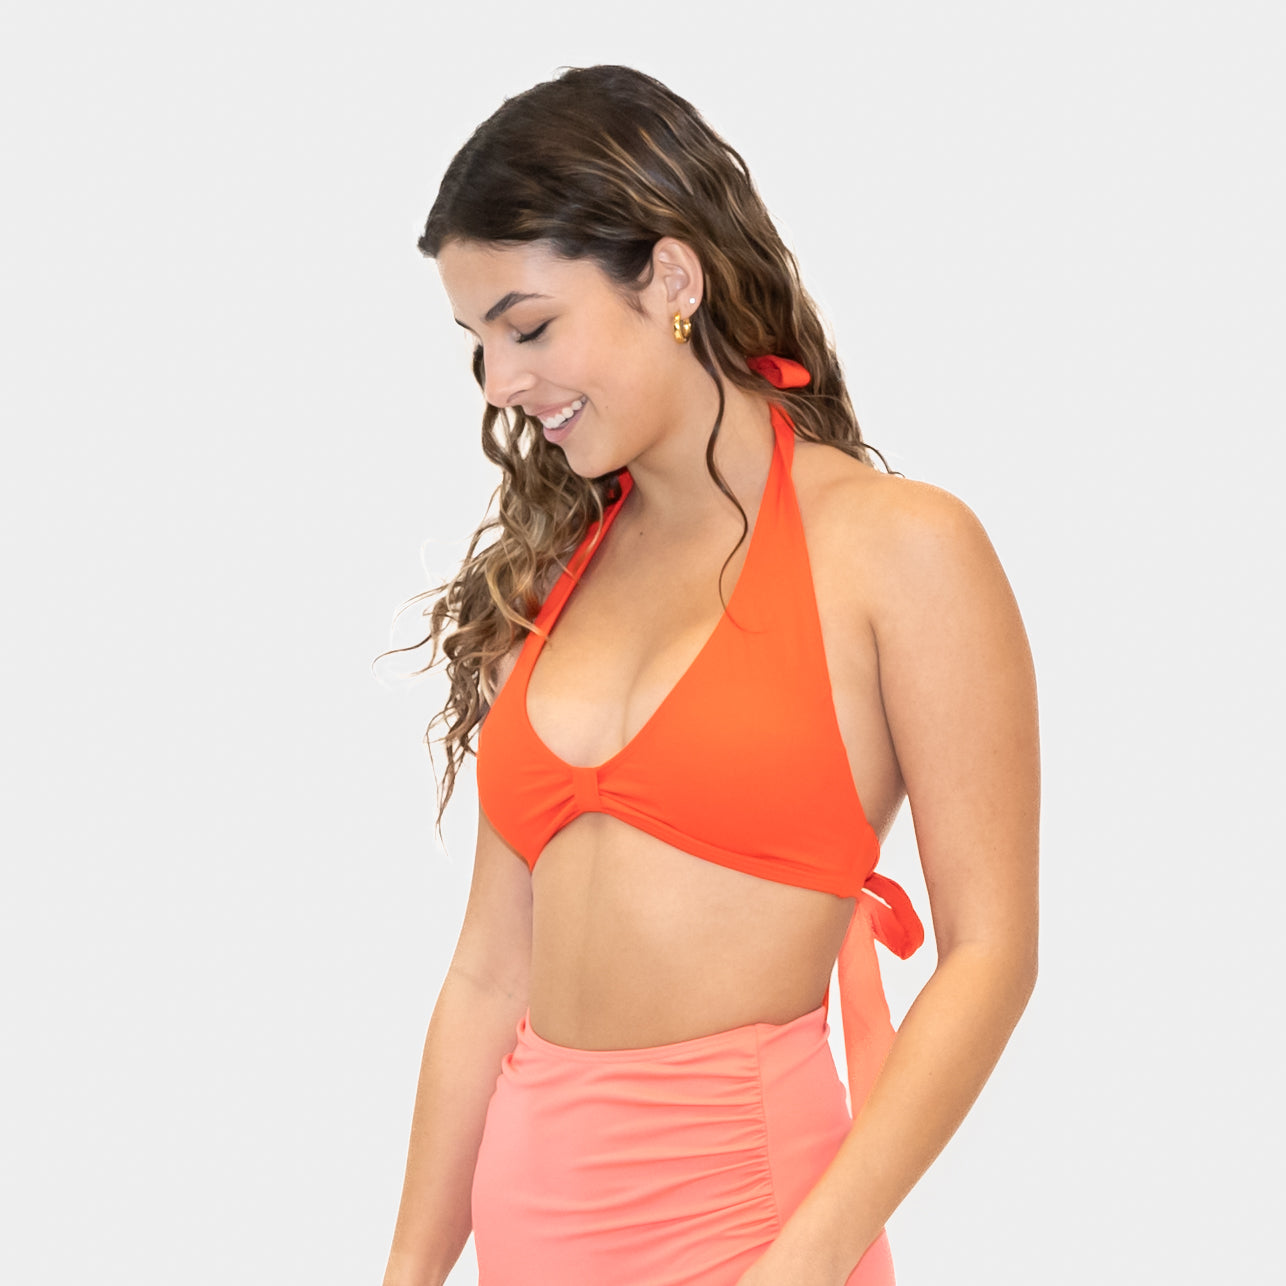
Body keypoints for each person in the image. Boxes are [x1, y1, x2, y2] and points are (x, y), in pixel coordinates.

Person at [380, 64, 1039, 1286]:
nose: (501, 385)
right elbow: (485, 973)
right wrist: (408, 1272)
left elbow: (989, 950)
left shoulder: (898, 549)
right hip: (530, 1244)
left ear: (670, 279)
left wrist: (805, 1261)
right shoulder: (555, 578)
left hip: (748, 1238)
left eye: (528, 327)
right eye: (477, 345)